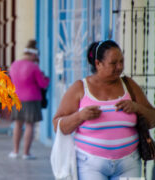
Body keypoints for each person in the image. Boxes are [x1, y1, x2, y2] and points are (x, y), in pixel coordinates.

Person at [52, 40, 155, 179]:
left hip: (129, 163)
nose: (119, 67)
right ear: (97, 63)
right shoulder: (80, 88)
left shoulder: (129, 85)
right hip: (90, 165)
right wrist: (80, 116)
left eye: (121, 61)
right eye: (113, 63)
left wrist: (137, 108)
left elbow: (152, 119)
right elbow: (57, 125)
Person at [8, 40, 50, 160]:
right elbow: (42, 84)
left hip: (17, 98)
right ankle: (26, 153)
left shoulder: (14, 64)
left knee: (17, 124)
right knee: (29, 125)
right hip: (31, 99)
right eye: (36, 56)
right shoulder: (34, 67)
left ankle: (15, 151)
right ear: (33, 55)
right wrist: (47, 79)